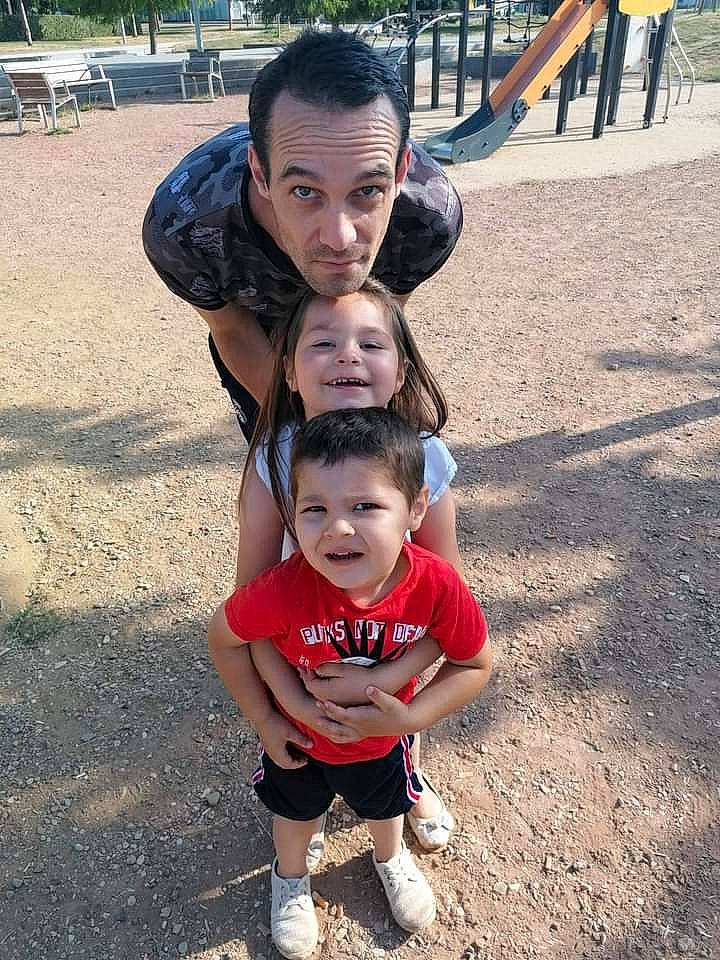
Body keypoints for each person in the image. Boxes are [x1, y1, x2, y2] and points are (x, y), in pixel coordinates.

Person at [208, 407, 492, 960]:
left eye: (364, 506)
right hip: (299, 741)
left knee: (386, 811)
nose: (337, 527)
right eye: (315, 509)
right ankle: (289, 880)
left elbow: (475, 663)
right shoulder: (283, 589)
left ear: (414, 508)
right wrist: (273, 715)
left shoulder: (436, 586)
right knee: (292, 817)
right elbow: (228, 635)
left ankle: (390, 860)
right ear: (292, 516)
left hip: (385, 742)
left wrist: (409, 719)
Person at [142, 29, 462, 443]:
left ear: (400, 173)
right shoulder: (182, 227)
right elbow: (233, 330)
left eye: (367, 191)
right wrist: (299, 433)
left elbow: (374, 316)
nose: (340, 237)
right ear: (260, 173)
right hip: (256, 323)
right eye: (305, 192)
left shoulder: (428, 218)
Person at [234, 280, 461, 856]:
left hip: (395, 646)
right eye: (323, 343)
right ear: (287, 371)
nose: (348, 355)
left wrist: (385, 683)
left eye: (371, 343)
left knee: (392, 726)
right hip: (305, 645)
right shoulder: (272, 460)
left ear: (402, 370)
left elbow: (443, 599)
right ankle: (304, 814)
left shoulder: (425, 456)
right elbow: (250, 605)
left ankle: (409, 775)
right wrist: (288, 705)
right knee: (304, 752)